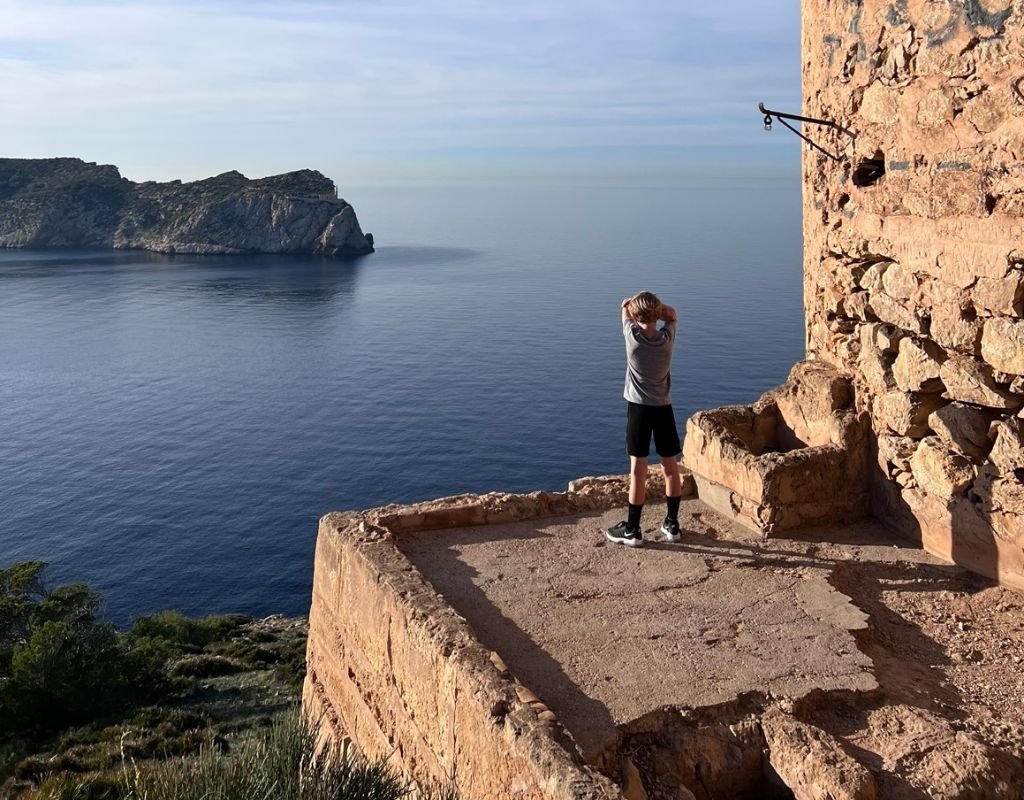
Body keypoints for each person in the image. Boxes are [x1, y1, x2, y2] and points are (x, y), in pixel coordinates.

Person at [606, 291, 684, 547]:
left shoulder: (633, 339)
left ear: (636, 315)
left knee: (638, 471)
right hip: (663, 408)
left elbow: (624, 310)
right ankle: (672, 525)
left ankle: (632, 530)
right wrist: (659, 310)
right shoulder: (666, 338)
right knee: (670, 469)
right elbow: (672, 316)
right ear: (656, 314)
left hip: (639, 409)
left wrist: (631, 304)